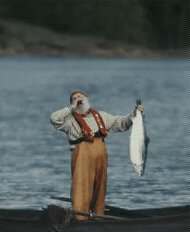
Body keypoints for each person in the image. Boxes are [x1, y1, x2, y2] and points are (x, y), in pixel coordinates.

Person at [50, 90, 143, 220]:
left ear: (87, 99)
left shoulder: (101, 116)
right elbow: (54, 118)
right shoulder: (69, 122)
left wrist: (135, 114)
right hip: (82, 159)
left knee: (99, 191)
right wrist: (72, 108)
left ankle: (98, 218)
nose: (78, 99)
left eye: (80, 96)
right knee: (81, 191)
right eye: (74, 98)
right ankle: (80, 220)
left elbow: (121, 123)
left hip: (101, 159)